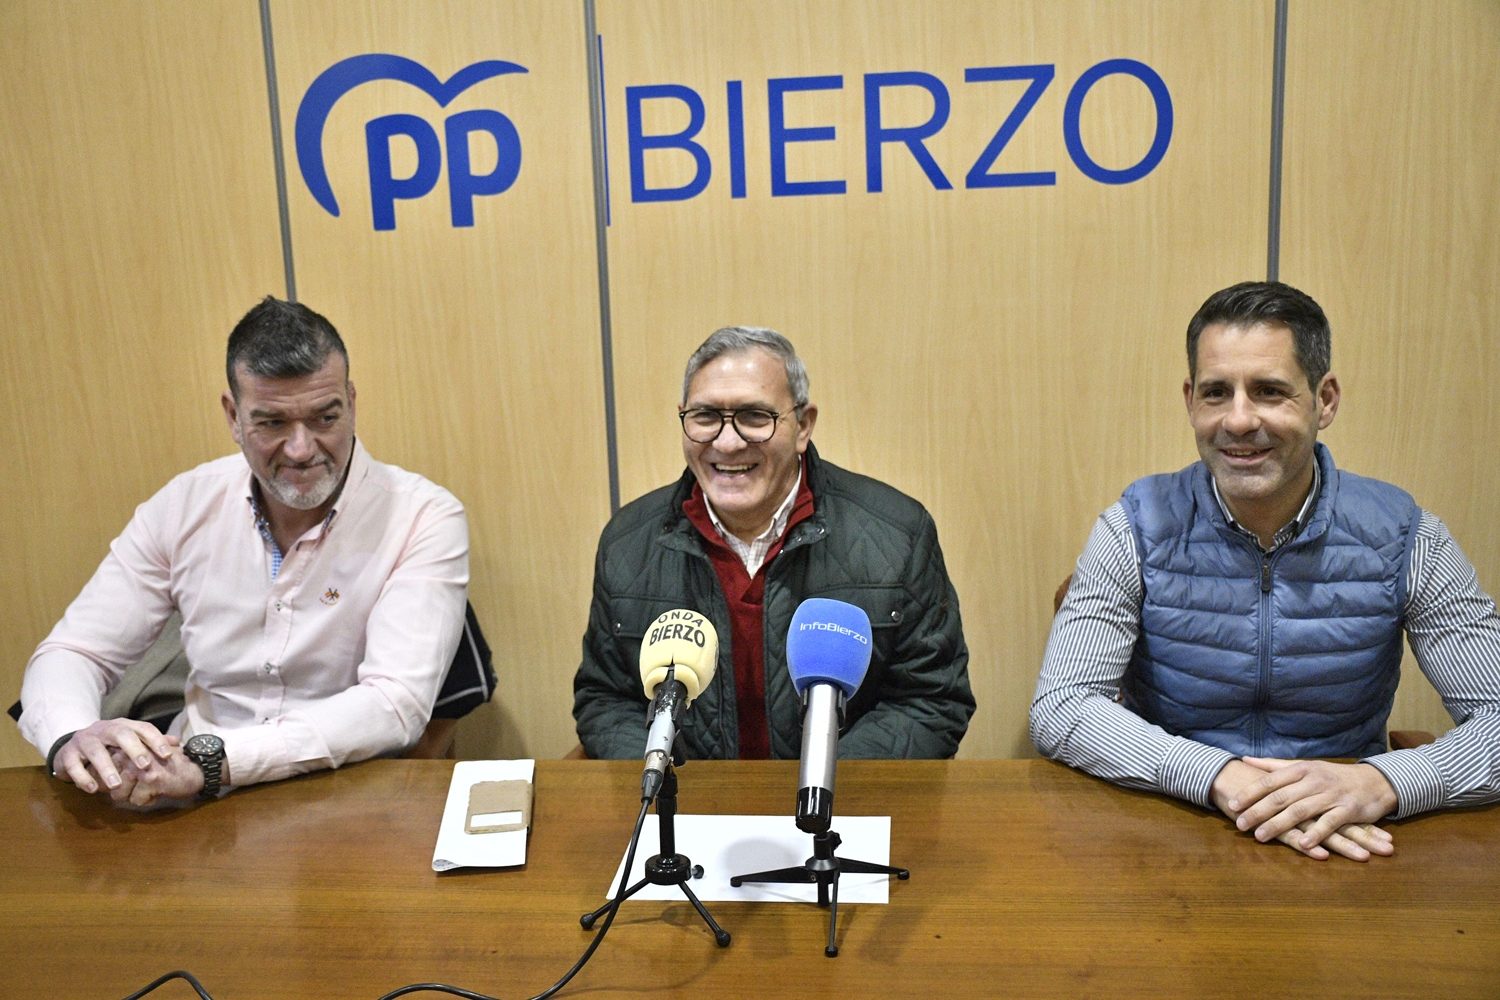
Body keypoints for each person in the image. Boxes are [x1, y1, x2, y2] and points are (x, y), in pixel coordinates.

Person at [1032, 281, 1500, 861]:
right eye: (1215, 393)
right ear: (1189, 400)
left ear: (1324, 400)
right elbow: (1063, 707)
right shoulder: (1134, 523)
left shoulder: (1405, 535)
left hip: (1346, 831)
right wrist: (1221, 776)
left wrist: (1383, 782)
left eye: (1270, 391)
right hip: (1172, 828)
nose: (1238, 420)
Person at [18, 297, 469, 806]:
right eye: (272, 423)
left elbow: (393, 704)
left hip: (341, 794)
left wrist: (214, 761)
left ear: (351, 401)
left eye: (325, 417)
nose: (301, 449)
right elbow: (75, 651)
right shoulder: (184, 505)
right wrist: (74, 736)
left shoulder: (423, 516)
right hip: (187, 799)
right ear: (233, 416)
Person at [573, 326, 975, 760]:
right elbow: (606, 701)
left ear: (803, 425)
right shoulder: (628, 542)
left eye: (755, 417)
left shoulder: (898, 534)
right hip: (687, 814)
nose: (727, 442)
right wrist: (671, 789)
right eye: (705, 416)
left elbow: (931, 701)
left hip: (839, 812)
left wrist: (819, 783)